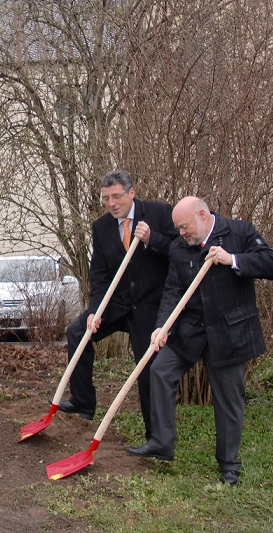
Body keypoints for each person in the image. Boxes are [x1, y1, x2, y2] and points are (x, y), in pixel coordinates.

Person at [125, 196, 273, 485]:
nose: (181, 233)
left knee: (228, 399)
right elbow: (173, 290)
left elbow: (272, 264)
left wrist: (232, 259)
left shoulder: (239, 232)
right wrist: (162, 327)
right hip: (192, 329)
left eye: (185, 227)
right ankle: (162, 441)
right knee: (160, 371)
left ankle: (229, 465)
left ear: (202, 216)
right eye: (178, 228)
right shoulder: (178, 247)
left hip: (229, 330)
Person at [60, 170, 178, 437]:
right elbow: (100, 273)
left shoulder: (158, 214)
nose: (111, 204)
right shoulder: (101, 227)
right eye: (105, 198)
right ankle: (83, 402)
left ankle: (155, 437)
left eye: (116, 197)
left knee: (147, 367)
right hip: (118, 304)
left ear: (131, 193)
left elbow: (181, 252)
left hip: (150, 306)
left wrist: (153, 240)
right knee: (78, 332)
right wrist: (95, 311)